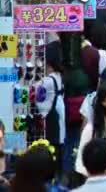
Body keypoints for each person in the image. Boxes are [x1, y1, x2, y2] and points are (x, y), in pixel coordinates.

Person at [34, 41, 65, 176]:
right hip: (58, 114)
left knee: (50, 147)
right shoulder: (59, 77)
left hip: (51, 119)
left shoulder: (47, 81)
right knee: (58, 147)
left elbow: (33, 91)